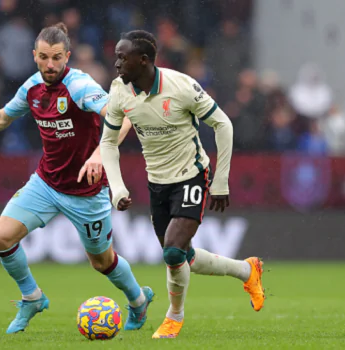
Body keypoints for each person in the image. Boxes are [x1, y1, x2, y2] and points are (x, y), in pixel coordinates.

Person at [0, 23, 154, 334]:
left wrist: (100, 154)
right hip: (46, 183)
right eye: (44, 57)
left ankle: (138, 300)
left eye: (57, 58)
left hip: (86, 192)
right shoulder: (32, 87)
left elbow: (122, 117)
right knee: (1, 238)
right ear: (34, 56)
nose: (50, 64)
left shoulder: (80, 86)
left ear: (67, 56)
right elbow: (2, 118)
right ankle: (32, 297)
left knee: (102, 262)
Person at [100, 30, 265, 339]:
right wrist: (118, 188)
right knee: (183, 255)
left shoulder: (181, 86)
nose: (117, 62)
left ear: (144, 60)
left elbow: (223, 124)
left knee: (173, 252)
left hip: (191, 175)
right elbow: (108, 143)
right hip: (157, 183)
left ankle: (174, 317)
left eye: (123, 57)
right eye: (117, 56)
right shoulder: (119, 90)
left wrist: (221, 181)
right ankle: (247, 270)